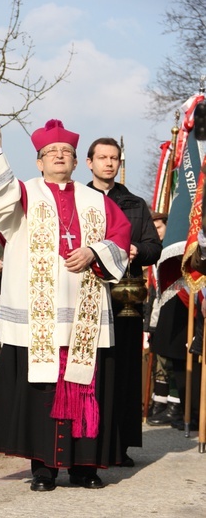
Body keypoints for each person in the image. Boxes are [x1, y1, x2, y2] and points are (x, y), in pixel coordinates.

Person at [0, 118, 131, 491]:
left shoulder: (98, 200)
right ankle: (43, 470)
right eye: (51, 152)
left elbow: (121, 238)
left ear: (77, 162)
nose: (60, 156)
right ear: (39, 161)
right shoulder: (24, 194)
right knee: (41, 394)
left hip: (84, 317)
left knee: (86, 389)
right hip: (38, 321)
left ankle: (85, 467)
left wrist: (94, 251)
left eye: (67, 152)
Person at [86, 138, 162, 466]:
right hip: (87, 296)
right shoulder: (78, 199)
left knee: (125, 371)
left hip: (125, 299)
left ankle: (121, 444)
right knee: (93, 371)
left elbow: (153, 247)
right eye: (102, 157)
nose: (108, 163)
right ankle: (90, 443)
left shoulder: (134, 203)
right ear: (88, 162)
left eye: (114, 158)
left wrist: (137, 251)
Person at [145, 213, 182, 426]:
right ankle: (160, 401)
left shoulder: (174, 252)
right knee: (160, 359)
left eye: (159, 227)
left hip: (176, 308)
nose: (156, 231)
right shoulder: (156, 254)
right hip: (159, 311)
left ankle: (175, 405)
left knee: (171, 360)